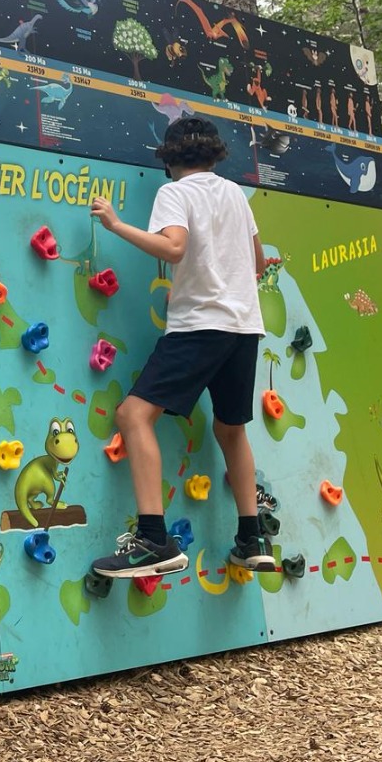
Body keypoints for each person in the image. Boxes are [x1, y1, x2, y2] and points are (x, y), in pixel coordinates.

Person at [87, 115, 274, 578]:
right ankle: (252, 538)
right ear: (215, 155)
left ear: (169, 160)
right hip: (244, 327)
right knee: (231, 429)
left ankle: (153, 539)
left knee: (133, 415)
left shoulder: (175, 192)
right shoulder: (235, 195)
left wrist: (115, 225)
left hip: (200, 326)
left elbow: (173, 249)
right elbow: (256, 262)